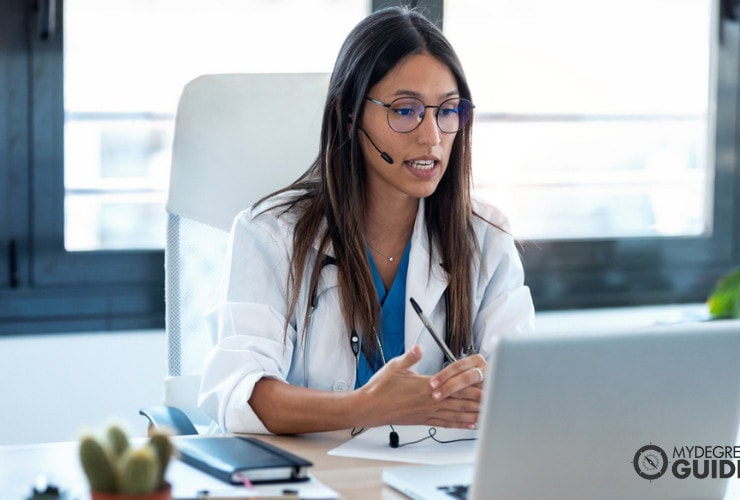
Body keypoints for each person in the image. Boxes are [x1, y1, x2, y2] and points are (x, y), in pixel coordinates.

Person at [198, 6, 534, 435]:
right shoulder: (270, 235)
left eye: (447, 111)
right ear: (349, 114)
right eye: (405, 109)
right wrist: (365, 407)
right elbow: (239, 392)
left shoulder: (485, 237)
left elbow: (524, 383)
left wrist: (494, 393)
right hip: (309, 480)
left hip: (430, 478)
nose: (431, 136)